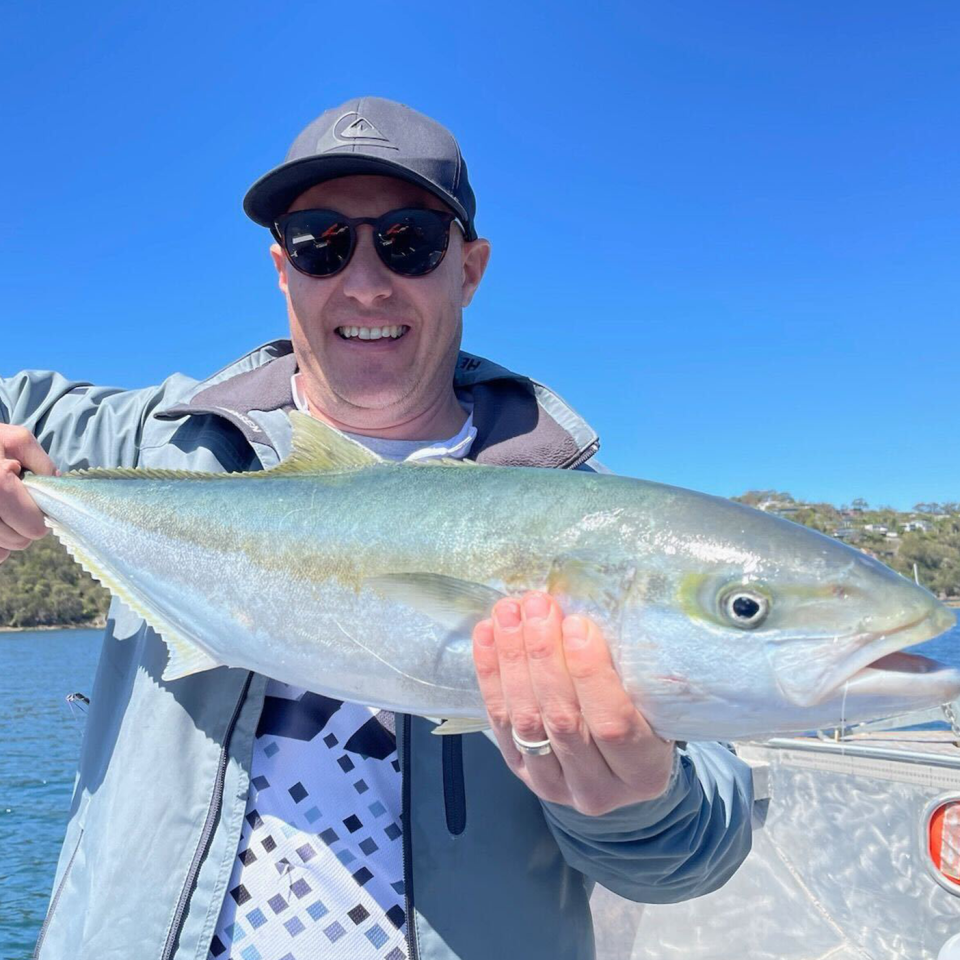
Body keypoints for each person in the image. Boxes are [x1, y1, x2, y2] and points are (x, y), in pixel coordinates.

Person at [0, 97, 753, 960]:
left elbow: (694, 853)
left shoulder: (591, 524)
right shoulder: (158, 440)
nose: (364, 282)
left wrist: (636, 803)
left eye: (409, 241)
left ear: (468, 269)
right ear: (284, 269)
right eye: (323, 243)